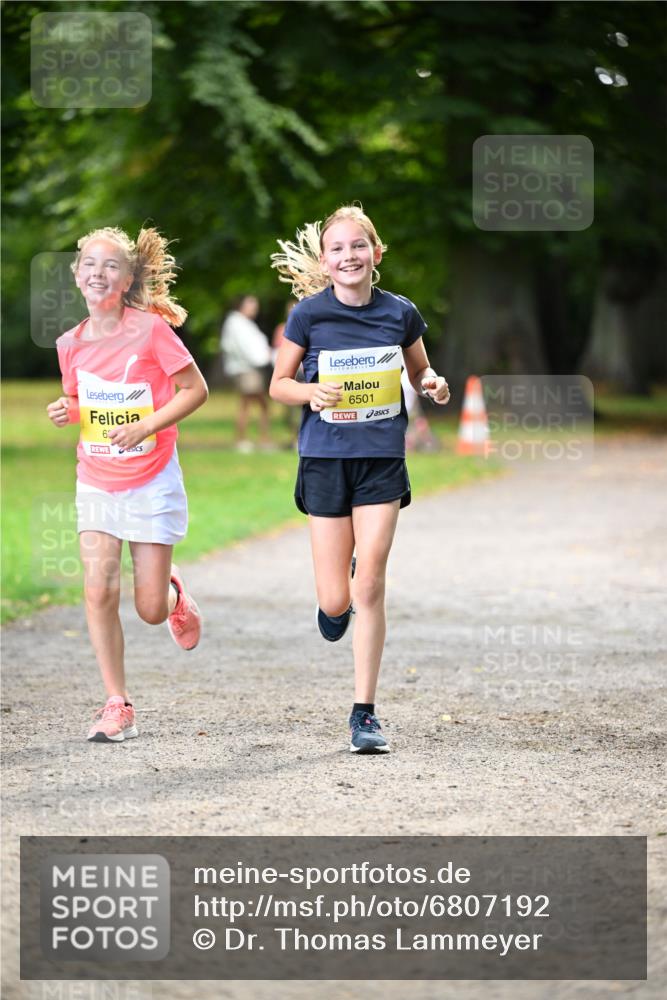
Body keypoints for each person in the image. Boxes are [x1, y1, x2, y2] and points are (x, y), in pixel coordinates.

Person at [269, 204, 450, 753]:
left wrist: (433, 383)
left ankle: (364, 713)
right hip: (324, 460)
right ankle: (337, 594)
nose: (349, 256)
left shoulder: (401, 314)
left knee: (370, 581)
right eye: (338, 249)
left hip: (380, 458)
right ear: (325, 261)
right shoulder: (308, 315)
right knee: (334, 601)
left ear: (376, 251)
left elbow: (419, 372)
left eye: (358, 246)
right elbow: (278, 383)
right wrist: (309, 392)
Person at [46, 226, 208, 743]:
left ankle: (172, 591)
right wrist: (65, 409)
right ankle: (118, 703)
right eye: (89, 264)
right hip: (95, 477)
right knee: (98, 589)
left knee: (149, 609)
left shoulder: (151, 331)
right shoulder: (69, 343)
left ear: (129, 276)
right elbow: (83, 401)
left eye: (111, 265)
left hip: (151, 477)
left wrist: (149, 424)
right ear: (76, 274)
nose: (98, 272)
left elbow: (195, 389)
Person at [220, 294, 273, 452]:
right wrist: (264, 358)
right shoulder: (236, 323)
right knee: (253, 404)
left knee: (251, 404)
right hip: (246, 369)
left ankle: (251, 439)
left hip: (248, 369)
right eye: (252, 305)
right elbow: (246, 349)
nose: (254, 309)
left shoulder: (243, 323)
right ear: (242, 305)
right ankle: (247, 440)